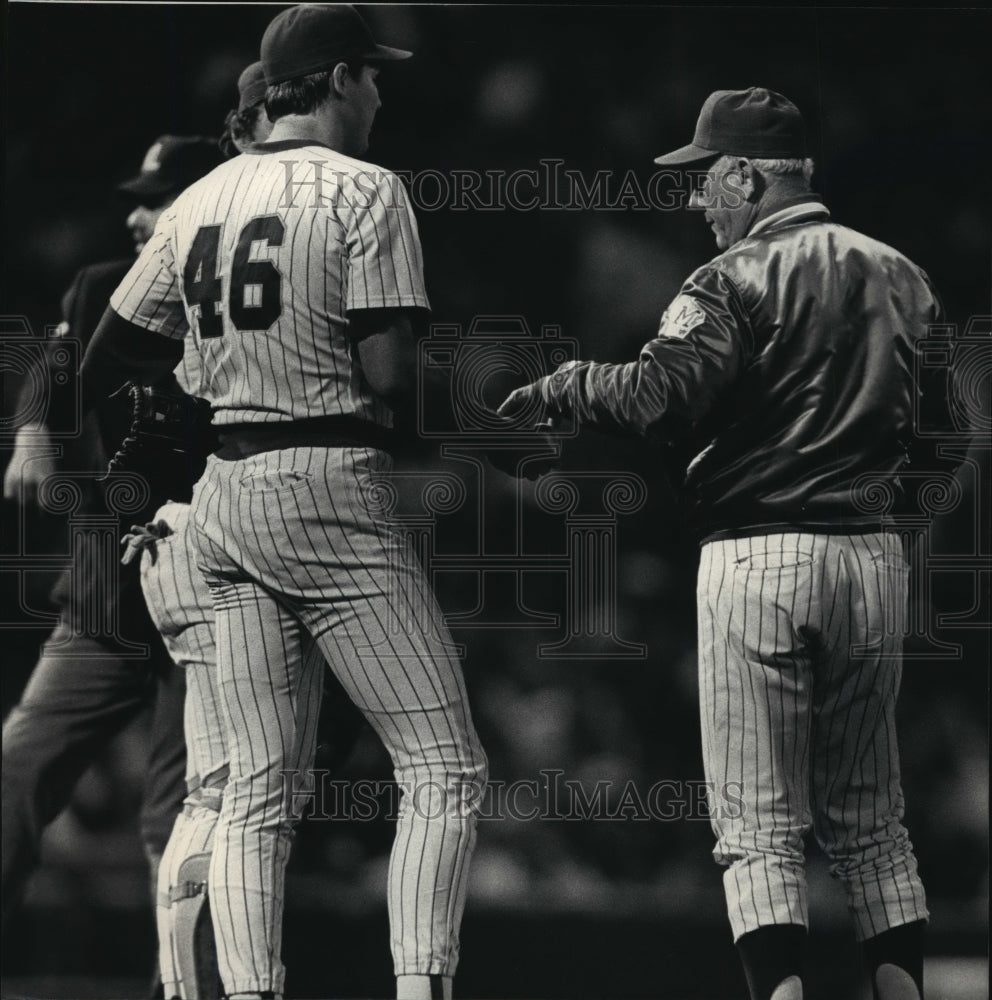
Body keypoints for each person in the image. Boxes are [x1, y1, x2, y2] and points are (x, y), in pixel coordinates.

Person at [500, 87, 946, 1000]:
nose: (699, 200)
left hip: (759, 553)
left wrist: (565, 385)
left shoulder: (729, 279)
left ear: (747, 174)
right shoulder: (904, 273)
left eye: (706, 179)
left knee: (758, 824)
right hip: (871, 557)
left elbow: (656, 398)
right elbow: (940, 443)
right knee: (872, 822)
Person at [80, 7, 488, 1000]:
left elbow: (110, 359)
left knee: (250, 788)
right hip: (326, 479)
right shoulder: (364, 189)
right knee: (444, 767)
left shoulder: (201, 194)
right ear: (339, 78)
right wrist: (506, 433)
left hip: (221, 494)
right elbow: (389, 374)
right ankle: (420, 987)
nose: (381, 95)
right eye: (373, 77)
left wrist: (153, 465)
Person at [1, 135, 223, 940]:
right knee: (16, 774)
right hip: (102, 599)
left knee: (182, 823)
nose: (135, 215)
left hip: (208, 606)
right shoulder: (102, 288)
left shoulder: (238, 308)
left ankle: (186, 988)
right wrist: (33, 438)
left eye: (155, 199)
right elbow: (51, 372)